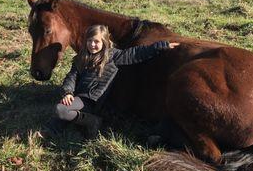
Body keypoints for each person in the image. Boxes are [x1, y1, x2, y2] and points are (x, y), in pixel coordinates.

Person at [50, 24, 179, 139]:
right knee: (61, 112)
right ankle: (52, 132)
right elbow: (71, 77)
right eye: (89, 41)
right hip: (79, 97)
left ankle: (92, 122)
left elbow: (137, 53)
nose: (92, 44)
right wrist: (68, 92)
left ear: (104, 42)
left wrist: (162, 45)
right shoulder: (81, 58)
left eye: (96, 41)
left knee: (60, 110)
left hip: (94, 101)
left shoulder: (114, 56)